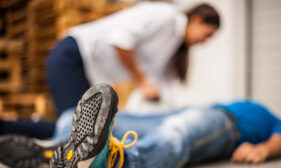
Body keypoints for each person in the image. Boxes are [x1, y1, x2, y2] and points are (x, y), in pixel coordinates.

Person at [0, 83, 281, 168]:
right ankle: (61, 148)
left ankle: (108, 167)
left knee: (177, 134)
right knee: (71, 116)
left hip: (223, 125)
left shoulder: (270, 118)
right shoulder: (230, 102)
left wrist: (264, 149)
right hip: (194, 111)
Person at [0, 2, 221, 139]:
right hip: (73, 54)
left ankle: (17, 133)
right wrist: (142, 80)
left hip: (86, 70)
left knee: (78, 130)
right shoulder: (164, 15)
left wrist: (174, 115)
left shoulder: (173, 46)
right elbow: (120, 41)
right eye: (207, 34)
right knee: (77, 131)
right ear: (197, 20)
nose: (205, 41)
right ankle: (6, 129)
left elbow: (161, 85)